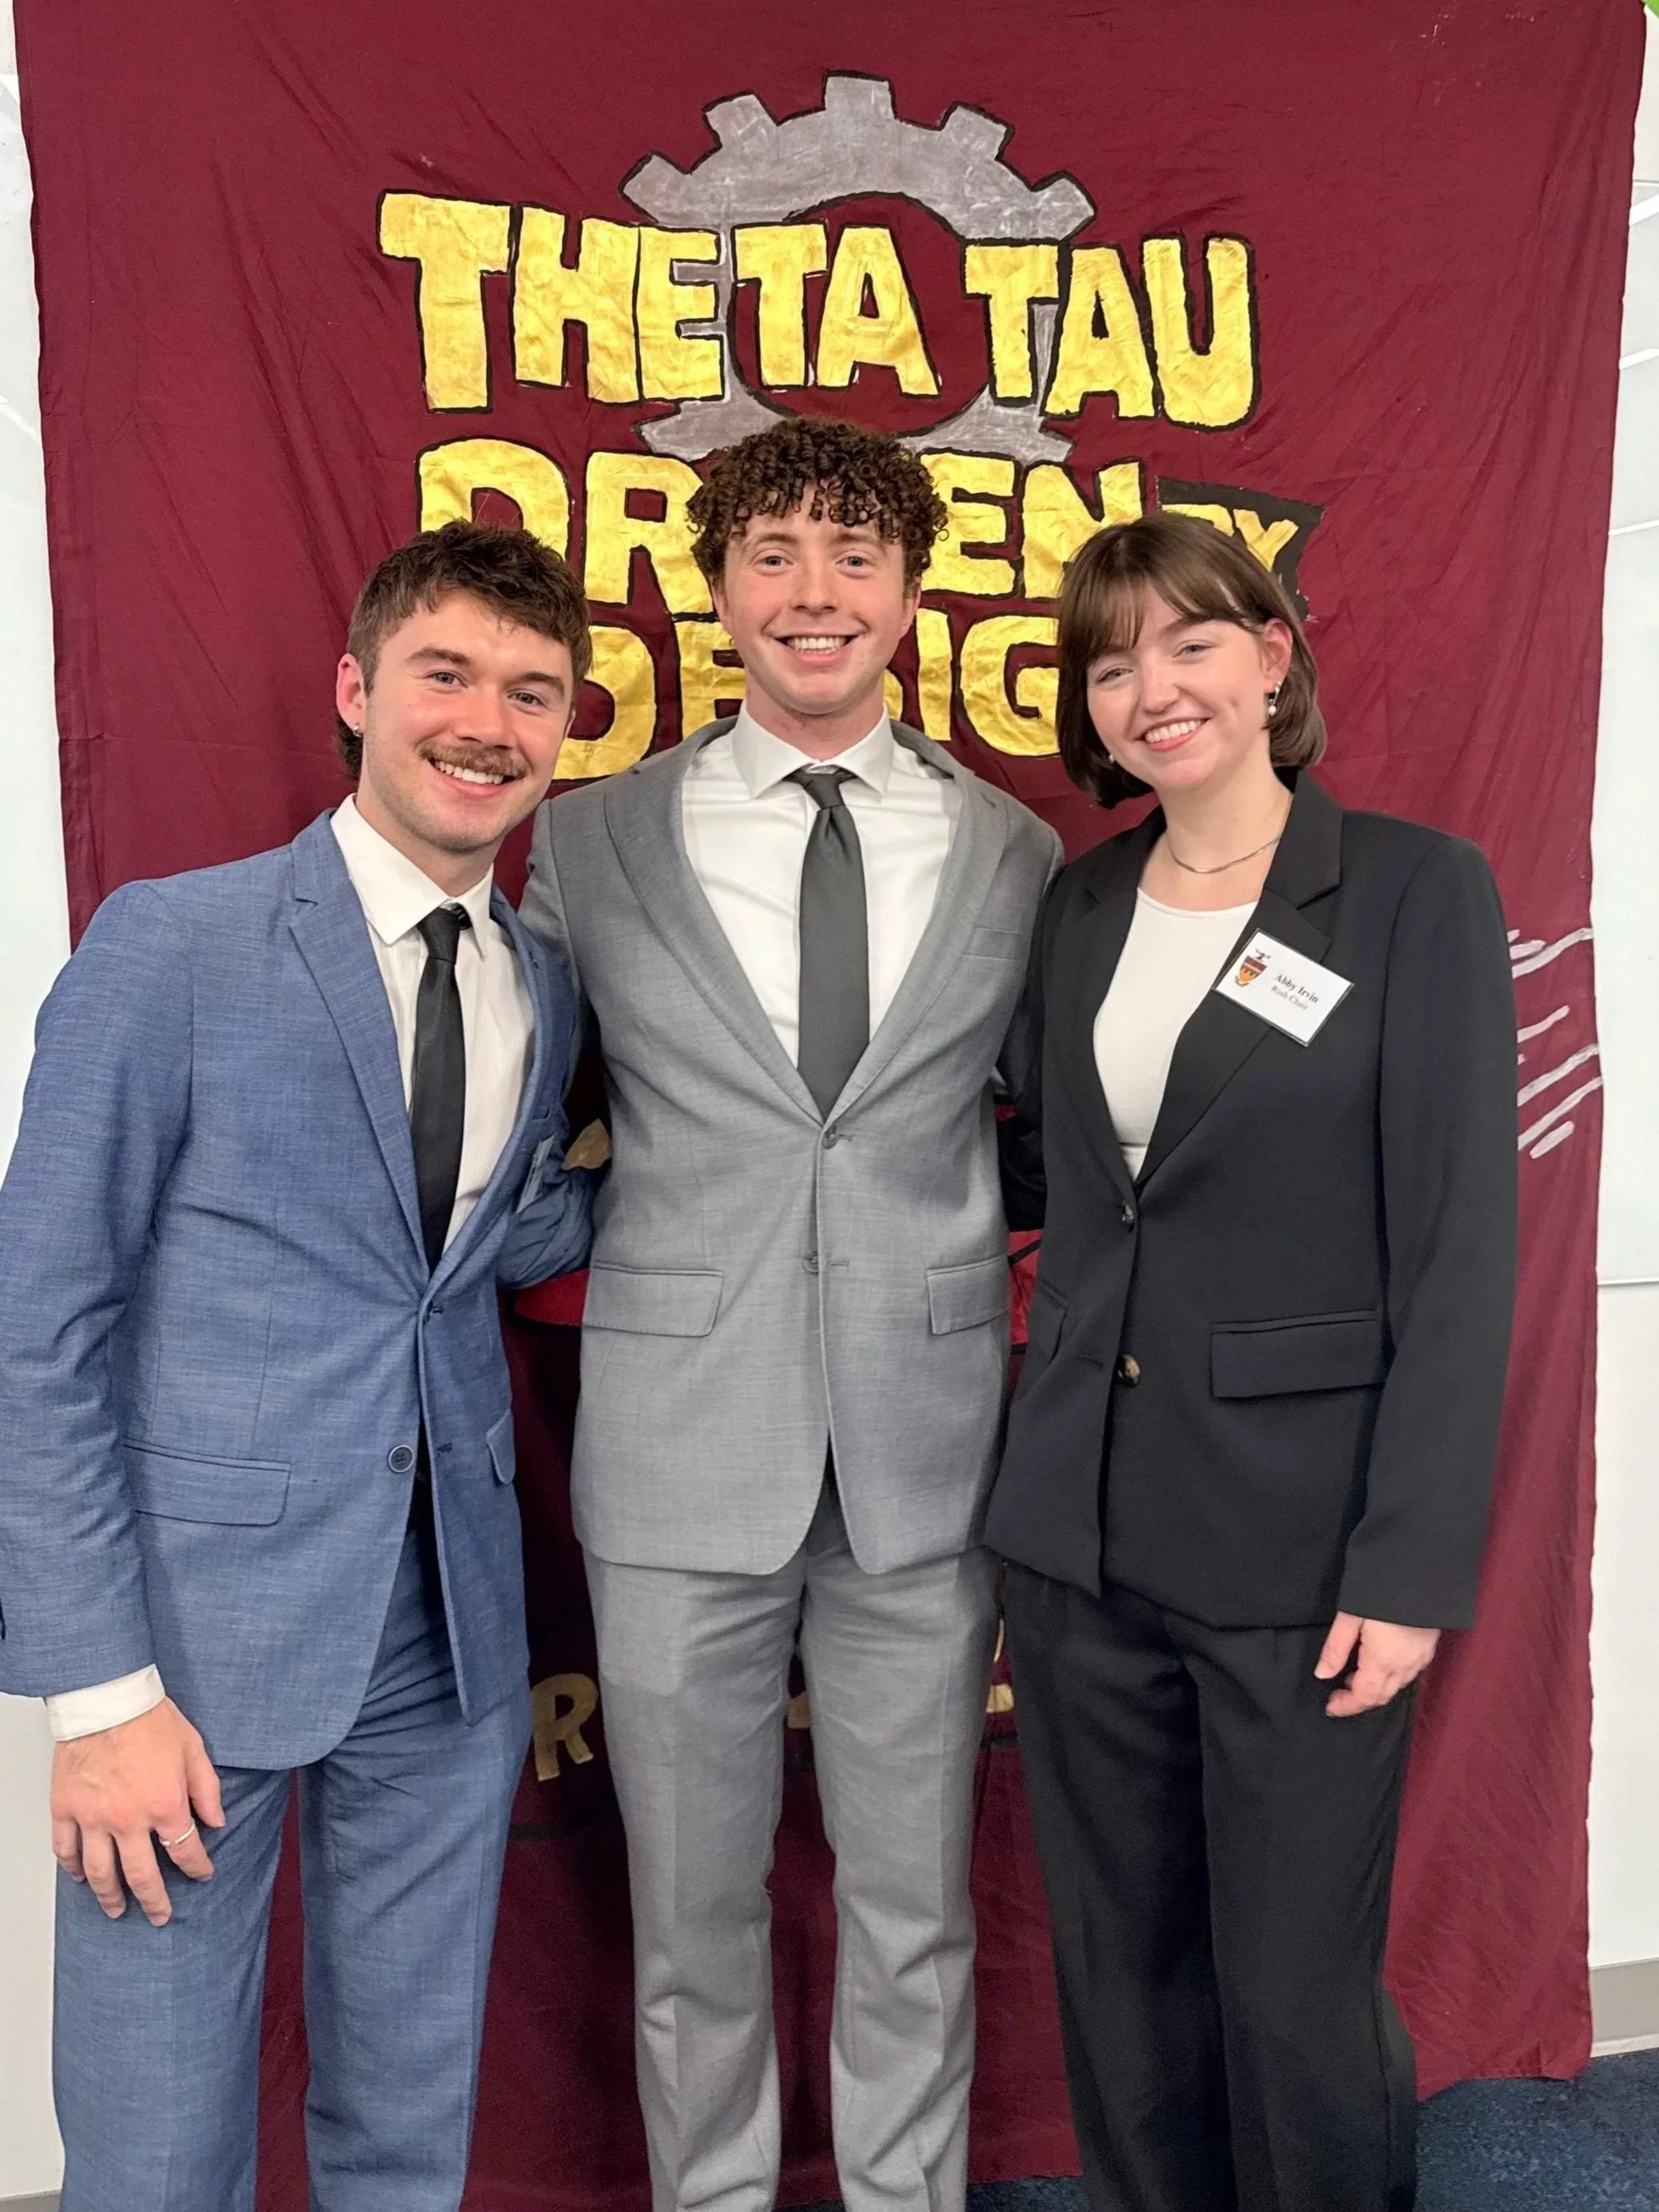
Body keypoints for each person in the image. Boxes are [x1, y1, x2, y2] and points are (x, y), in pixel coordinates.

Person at [0, 521, 597, 2212]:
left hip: (450, 1626)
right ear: (356, 688)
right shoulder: (172, 946)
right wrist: (96, 1696)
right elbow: (39, 1323)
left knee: (409, 2122)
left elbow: (507, 1237)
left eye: (532, 692)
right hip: (189, 1647)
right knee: (158, 2147)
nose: (487, 722)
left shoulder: (542, 981)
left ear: (567, 728)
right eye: (447, 675)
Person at [519, 416, 1060, 2212]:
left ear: (909, 592)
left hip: (926, 1455)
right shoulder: (592, 841)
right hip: (678, 1452)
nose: (813, 591)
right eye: (773, 553)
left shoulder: (1011, 850)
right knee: (690, 1920)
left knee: (916, 1909)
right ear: (719, 588)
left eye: (853, 554)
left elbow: (1043, 1137)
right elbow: (519, 1121)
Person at [985, 512, 1517, 2212]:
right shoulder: (1078, 904)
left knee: (1294, 2001)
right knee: (1124, 1986)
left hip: (1304, 1547)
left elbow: (1459, 1250)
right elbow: (1054, 1180)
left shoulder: (1415, 891)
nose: (1153, 688)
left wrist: (1410, 1566)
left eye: (1191, 642)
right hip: (1080, 1537)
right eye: (1111, 662)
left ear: (1274, 656)